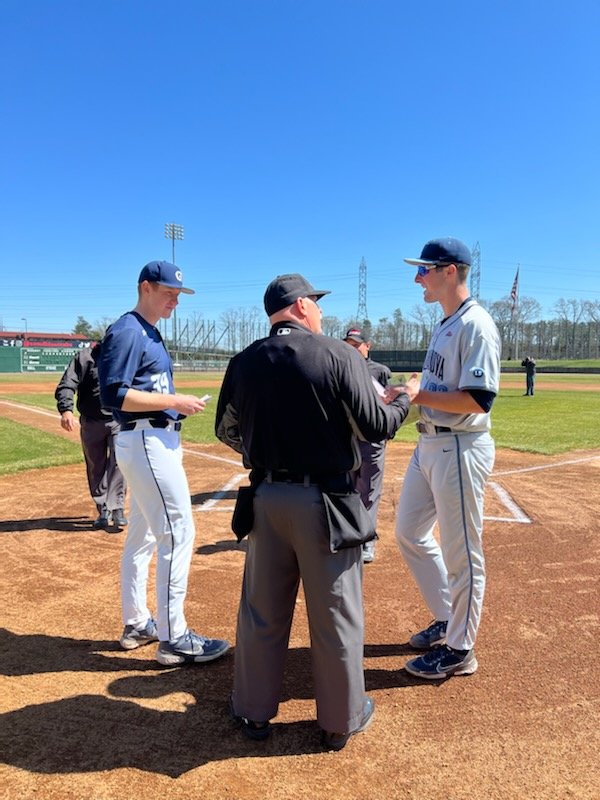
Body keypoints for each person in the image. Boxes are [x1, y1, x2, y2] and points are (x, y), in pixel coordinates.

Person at [216, 273, 419, 750]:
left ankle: (253, 713)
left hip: (266, 500)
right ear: (302, 306)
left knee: (261, 613)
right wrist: (405, 396)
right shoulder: (337, 353)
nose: (321, 312)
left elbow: (227, 431)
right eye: (317, 304)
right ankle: (339, 721)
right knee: (335, 616)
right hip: (326, 505)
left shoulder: (244, 361)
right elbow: (375, 427)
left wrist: (267, 448)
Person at [97, 260, 229, 666]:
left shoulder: (148, 333)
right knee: (178, 532)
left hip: (152, 439)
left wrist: (174, 405)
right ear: (145, 287)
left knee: (144, 536)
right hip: (147, 441)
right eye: (169, 292)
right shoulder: (127, 330)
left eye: (178, 294)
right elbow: (113, 396)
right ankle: (175, 637)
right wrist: (174, 401)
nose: (175, 299)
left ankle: (138, 622)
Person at [389, 237, 501, 680]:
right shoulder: (445, 322)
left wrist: (421, 394)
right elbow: (437, 383)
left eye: (425, 269)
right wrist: (413, 388)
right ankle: (445, 616)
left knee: (463, 551)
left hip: (458, 445)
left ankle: (460, 648)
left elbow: (478, 399)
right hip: (430, 443)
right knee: (409, 532)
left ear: (449, 270)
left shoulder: (476, 324)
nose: (418, 277)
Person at [54, 343, 127, 529]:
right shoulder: (85, 357)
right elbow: (67, 385)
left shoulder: (124, 355)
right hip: (91, 421)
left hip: (118, 419)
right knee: (96, 465)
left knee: (121, 460)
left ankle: (117, 507)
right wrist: (66, 410)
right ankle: (102, 506)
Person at [342, 328, 392, 563]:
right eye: (348, 344)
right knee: (348, 487)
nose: (352, 348)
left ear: (367, 346)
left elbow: (389, 403)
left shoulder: (380, 371)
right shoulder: (341, 367)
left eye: (356, 344)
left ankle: (367, 541)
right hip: (346, 439)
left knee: (369, 489)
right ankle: (350, 535)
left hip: (372, 440)